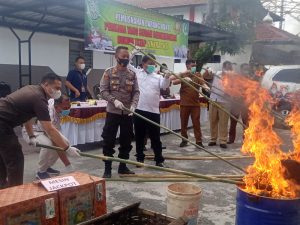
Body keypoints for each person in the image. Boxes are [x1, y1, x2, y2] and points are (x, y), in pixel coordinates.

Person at [0, 73, 81, 188]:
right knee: (15, 160)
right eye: (56, 88)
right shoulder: (39, 99)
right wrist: (67, 148)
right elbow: (50, 130)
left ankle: (3, 191)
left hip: (4, 124)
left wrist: (31, 136)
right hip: (2, 124)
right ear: (46, 84)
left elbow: (27, 116)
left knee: (3, 159)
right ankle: (15, 196)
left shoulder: (33, 90)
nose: (58, 91)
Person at [100, 46, 140, 178]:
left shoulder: (132, 74)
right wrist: (114, 101)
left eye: (127, 57)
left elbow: (136, 92)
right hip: (113, 112)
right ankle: (107, 169)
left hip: (127, 114)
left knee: (126, 141)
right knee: (108, 141)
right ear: (116, 57)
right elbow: (103, 91)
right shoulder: (109, 72)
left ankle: (123, 167)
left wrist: (134, 105)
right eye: (123, 56)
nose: (125, 59)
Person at [128, 54, 171, 167]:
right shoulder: (137, 73)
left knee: (155, 137)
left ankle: (159, 159)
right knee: (139, 137)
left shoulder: (158, 77)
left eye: (154, 64)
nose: (152, 66)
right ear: (143, 64)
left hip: (153, 111)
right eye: (150, 63)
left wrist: (167, 77)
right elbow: (127, 64)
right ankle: (140, 158)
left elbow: (164, 86)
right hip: (139, 110)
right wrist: (132, 54)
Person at [22, 95, 74, 179]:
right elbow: (56, 142)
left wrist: (66, 146)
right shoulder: (49, 114)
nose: (68, 109)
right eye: (65, 107)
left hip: (46, 129)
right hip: (32, 131)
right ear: (57, 106)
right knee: (48, 144)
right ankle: (41, 171)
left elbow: (56, 136)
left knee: (65, 142)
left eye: (69, 106)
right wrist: (68, 164)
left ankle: (47, 167)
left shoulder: (55, 104)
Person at [171, 59, 205, 148]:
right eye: (192, 65)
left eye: (195, 66)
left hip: (195, 104)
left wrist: (207, 87)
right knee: (183, 123)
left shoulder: (198, 75)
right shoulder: (183, 74)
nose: (194, 67)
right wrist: (183, 79)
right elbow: (174, 82)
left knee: (196, 123)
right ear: (187, 66)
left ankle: (199, 141)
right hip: (184, 104)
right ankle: (184, 140)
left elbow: (203, 83)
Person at [208, 61, 232, 149]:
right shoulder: (217, 74)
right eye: (225, 68)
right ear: (223, 68)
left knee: (223, 122)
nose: (227, 70)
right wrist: (209, 70)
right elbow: (208, 75)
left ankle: (223, 140)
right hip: (213, 100)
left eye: (229, 68)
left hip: (225, 102)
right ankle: (213, 139)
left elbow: (234, 90)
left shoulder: (232, 78)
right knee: (213, 120)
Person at [228, 63, 251, 144]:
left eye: (248, 69)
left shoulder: (250, 79)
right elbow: (230, 88)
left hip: (245, 105)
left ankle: (246, 140)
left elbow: (252, 91)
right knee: (233, 123)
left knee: (246, 124)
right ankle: (231, 139)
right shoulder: (235, 78)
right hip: (235, 104)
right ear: (241, 70)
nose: (246, 71)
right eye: (245, 69)